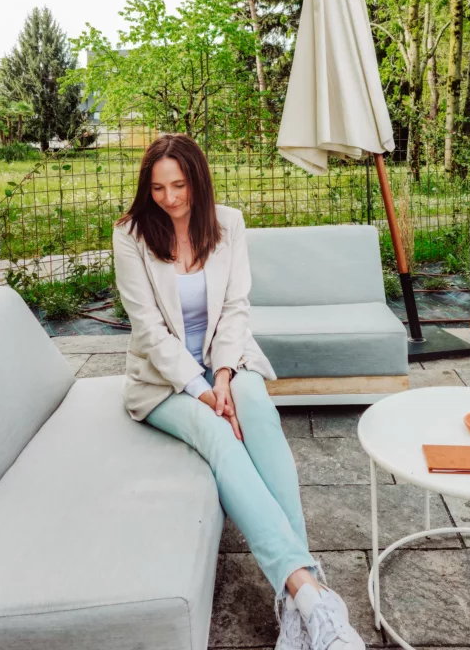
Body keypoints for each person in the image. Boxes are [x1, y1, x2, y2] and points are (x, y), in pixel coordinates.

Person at [113, 133, 365, 650]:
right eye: (158, 187)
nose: (170, 198)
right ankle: (309, 593)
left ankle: (300, 603)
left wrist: (224, 376)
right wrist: (202, 392)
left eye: (179, 185)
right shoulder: (130, 234)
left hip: (226, 358)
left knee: (259, 412)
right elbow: (149, 331)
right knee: (220, 436)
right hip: (164, 379)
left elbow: (236, 308)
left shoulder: (228, 224)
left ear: (198, 181)